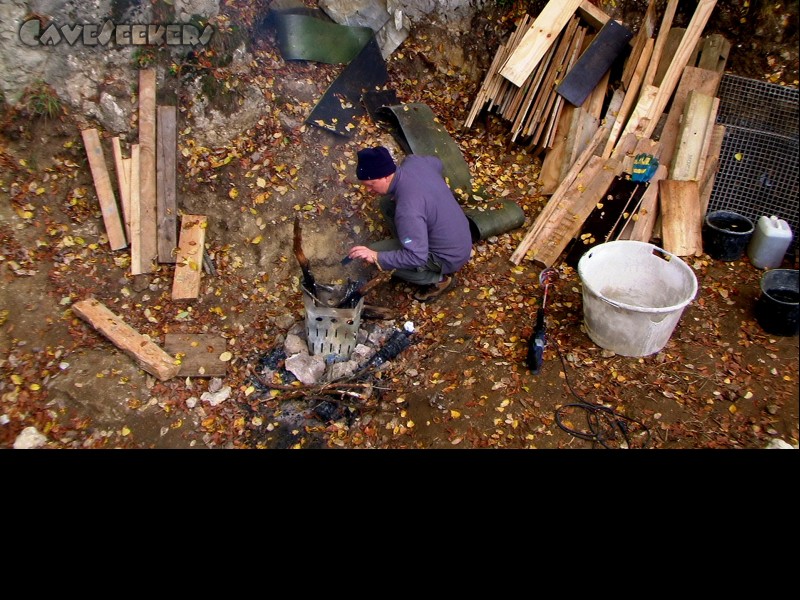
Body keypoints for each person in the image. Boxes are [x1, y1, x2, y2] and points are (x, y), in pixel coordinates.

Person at [347, 146, 473, 303]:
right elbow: (437, 163)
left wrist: (377, 256)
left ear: (386, 176)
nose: (368, 190)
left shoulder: (408, 211)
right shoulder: (414, 162)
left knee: (376, 257)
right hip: (459, 236)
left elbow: (417, 257)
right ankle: (409, 239)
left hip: (448, 257)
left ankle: (438, 280)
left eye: (371, 185)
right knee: (386, 203)